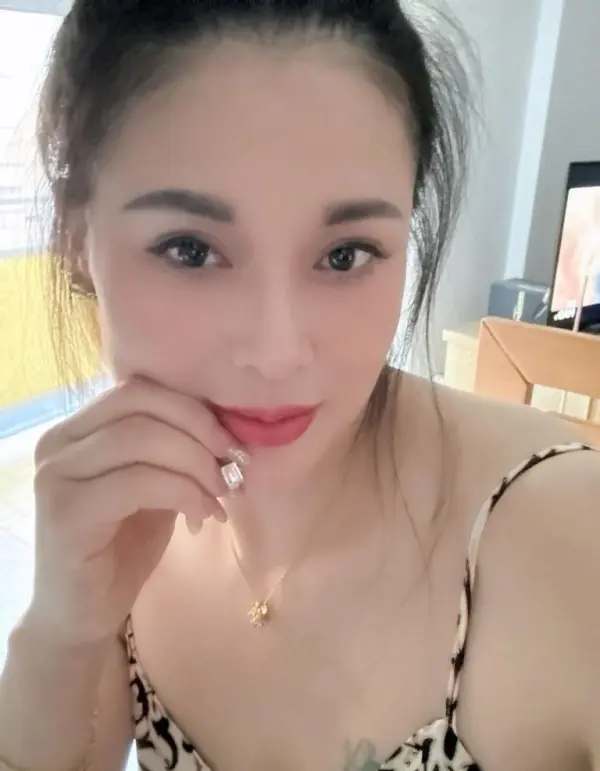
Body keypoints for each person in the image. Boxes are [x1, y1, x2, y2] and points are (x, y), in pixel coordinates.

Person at [0, 1, 599, 770]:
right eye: (190, 249)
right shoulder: (122, 511)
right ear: (75, 239)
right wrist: (60, 629)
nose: (278, 354)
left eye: (346, 254)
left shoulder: (561, 539)